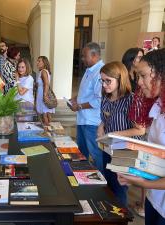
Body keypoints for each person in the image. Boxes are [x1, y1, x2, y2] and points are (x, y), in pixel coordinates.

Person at [117, 48, 165, 225]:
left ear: (161, 74)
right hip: (154, 200)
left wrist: (142, 182)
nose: (140, 83)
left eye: (143, 76)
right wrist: (130, 167)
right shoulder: (158, 106)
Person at [97, 61, 145, 206]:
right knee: (108, 184)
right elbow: (106, 116)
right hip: (108, 148)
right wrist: (101, 125)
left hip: (124, 152)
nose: (104, 84)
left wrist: (117, 133)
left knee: (119, 190)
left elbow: (140, 129)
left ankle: (120, 217)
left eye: (108, 81)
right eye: (102, 80)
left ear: (120, 79)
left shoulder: (131, 100)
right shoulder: (106, 97)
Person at [69, 42, 105, 172]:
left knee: (95, 154)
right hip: (83, 119)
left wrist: (79, 106)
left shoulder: (101, 72)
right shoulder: (89, 70)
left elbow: (99, 100)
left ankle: (102, 187)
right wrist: (75, 98)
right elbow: (85, 91)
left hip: (92, 121)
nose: (82, 59)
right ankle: (83, 176)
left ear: (94, 55)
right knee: (81, 151)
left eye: (85, 56)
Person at [35, 56, 55, 125]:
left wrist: (45, 95)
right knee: (47, 113)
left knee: (44, 114)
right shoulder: (44, 71)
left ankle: (46, 130)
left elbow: (46, 84)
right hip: (42, 92)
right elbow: (43, 83)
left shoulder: (43, 71)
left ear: (44, 63)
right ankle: (50, 128)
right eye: (37, 61)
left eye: (39, 61)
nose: (37, 62)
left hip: (42, 94)